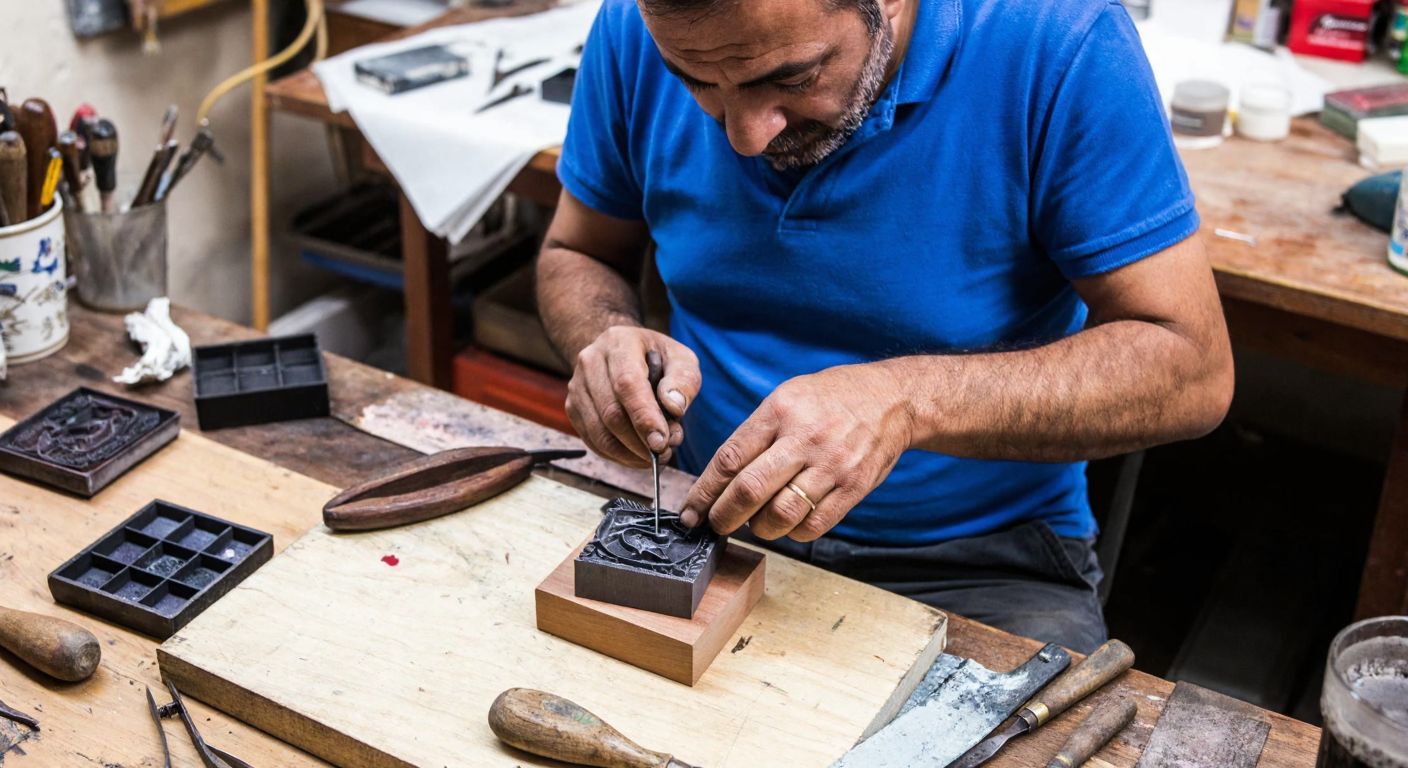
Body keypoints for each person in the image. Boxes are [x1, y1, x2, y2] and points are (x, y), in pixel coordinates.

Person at [535, 0, 1234, 652]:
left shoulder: (1059, 40)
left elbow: (1192, 366)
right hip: (708, 524)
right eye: (697, 83)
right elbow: (578, 251)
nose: (745, 136)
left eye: (793, 77)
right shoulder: (644, 24)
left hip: (976, 562)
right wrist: (603, 337)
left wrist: (904, 401)